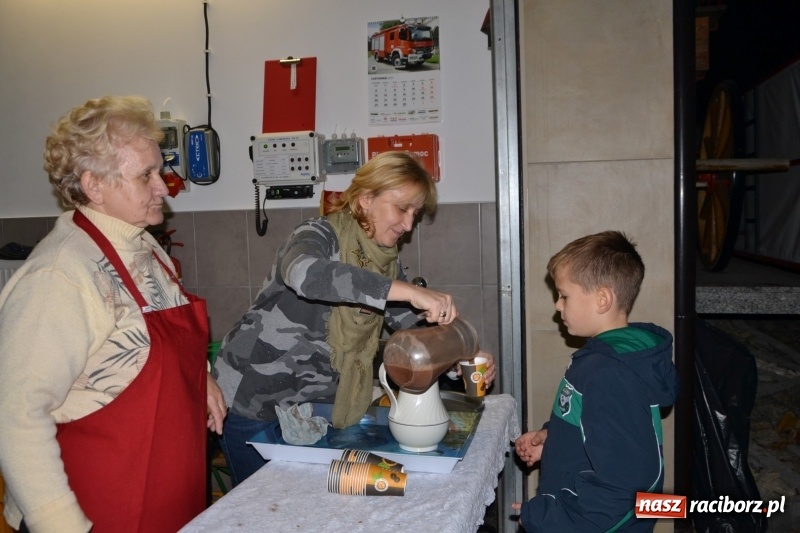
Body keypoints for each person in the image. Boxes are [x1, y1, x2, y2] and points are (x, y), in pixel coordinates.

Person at [0, 96, 227, 533]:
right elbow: (16, 415)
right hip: (97, 512)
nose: (164, 186)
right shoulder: (58, 276)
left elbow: (148, 338)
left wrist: (200, 376)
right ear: (95, 185)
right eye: (146, 176)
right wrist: (59, 524)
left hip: (170, 501)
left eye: (159, 170)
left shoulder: (144, 245)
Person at [213, 151, 497, 486]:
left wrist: (456, 359)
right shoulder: (317, 234)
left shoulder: (384, 262)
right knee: (263, 507)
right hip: (253, 401)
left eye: (415, 214)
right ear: (365, 199)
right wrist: (406, 290)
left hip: (315, 407)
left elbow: (415, 333)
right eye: (402, 208)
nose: (408, 225)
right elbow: (305, 274)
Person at [512, 231, 679, 532]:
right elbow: (598, 428)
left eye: (564, 295)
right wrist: (554, 439)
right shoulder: (602, 361)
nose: (557, 306)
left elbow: (621, 490)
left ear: (602, 299)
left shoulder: (609, 373)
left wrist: (544, 517)